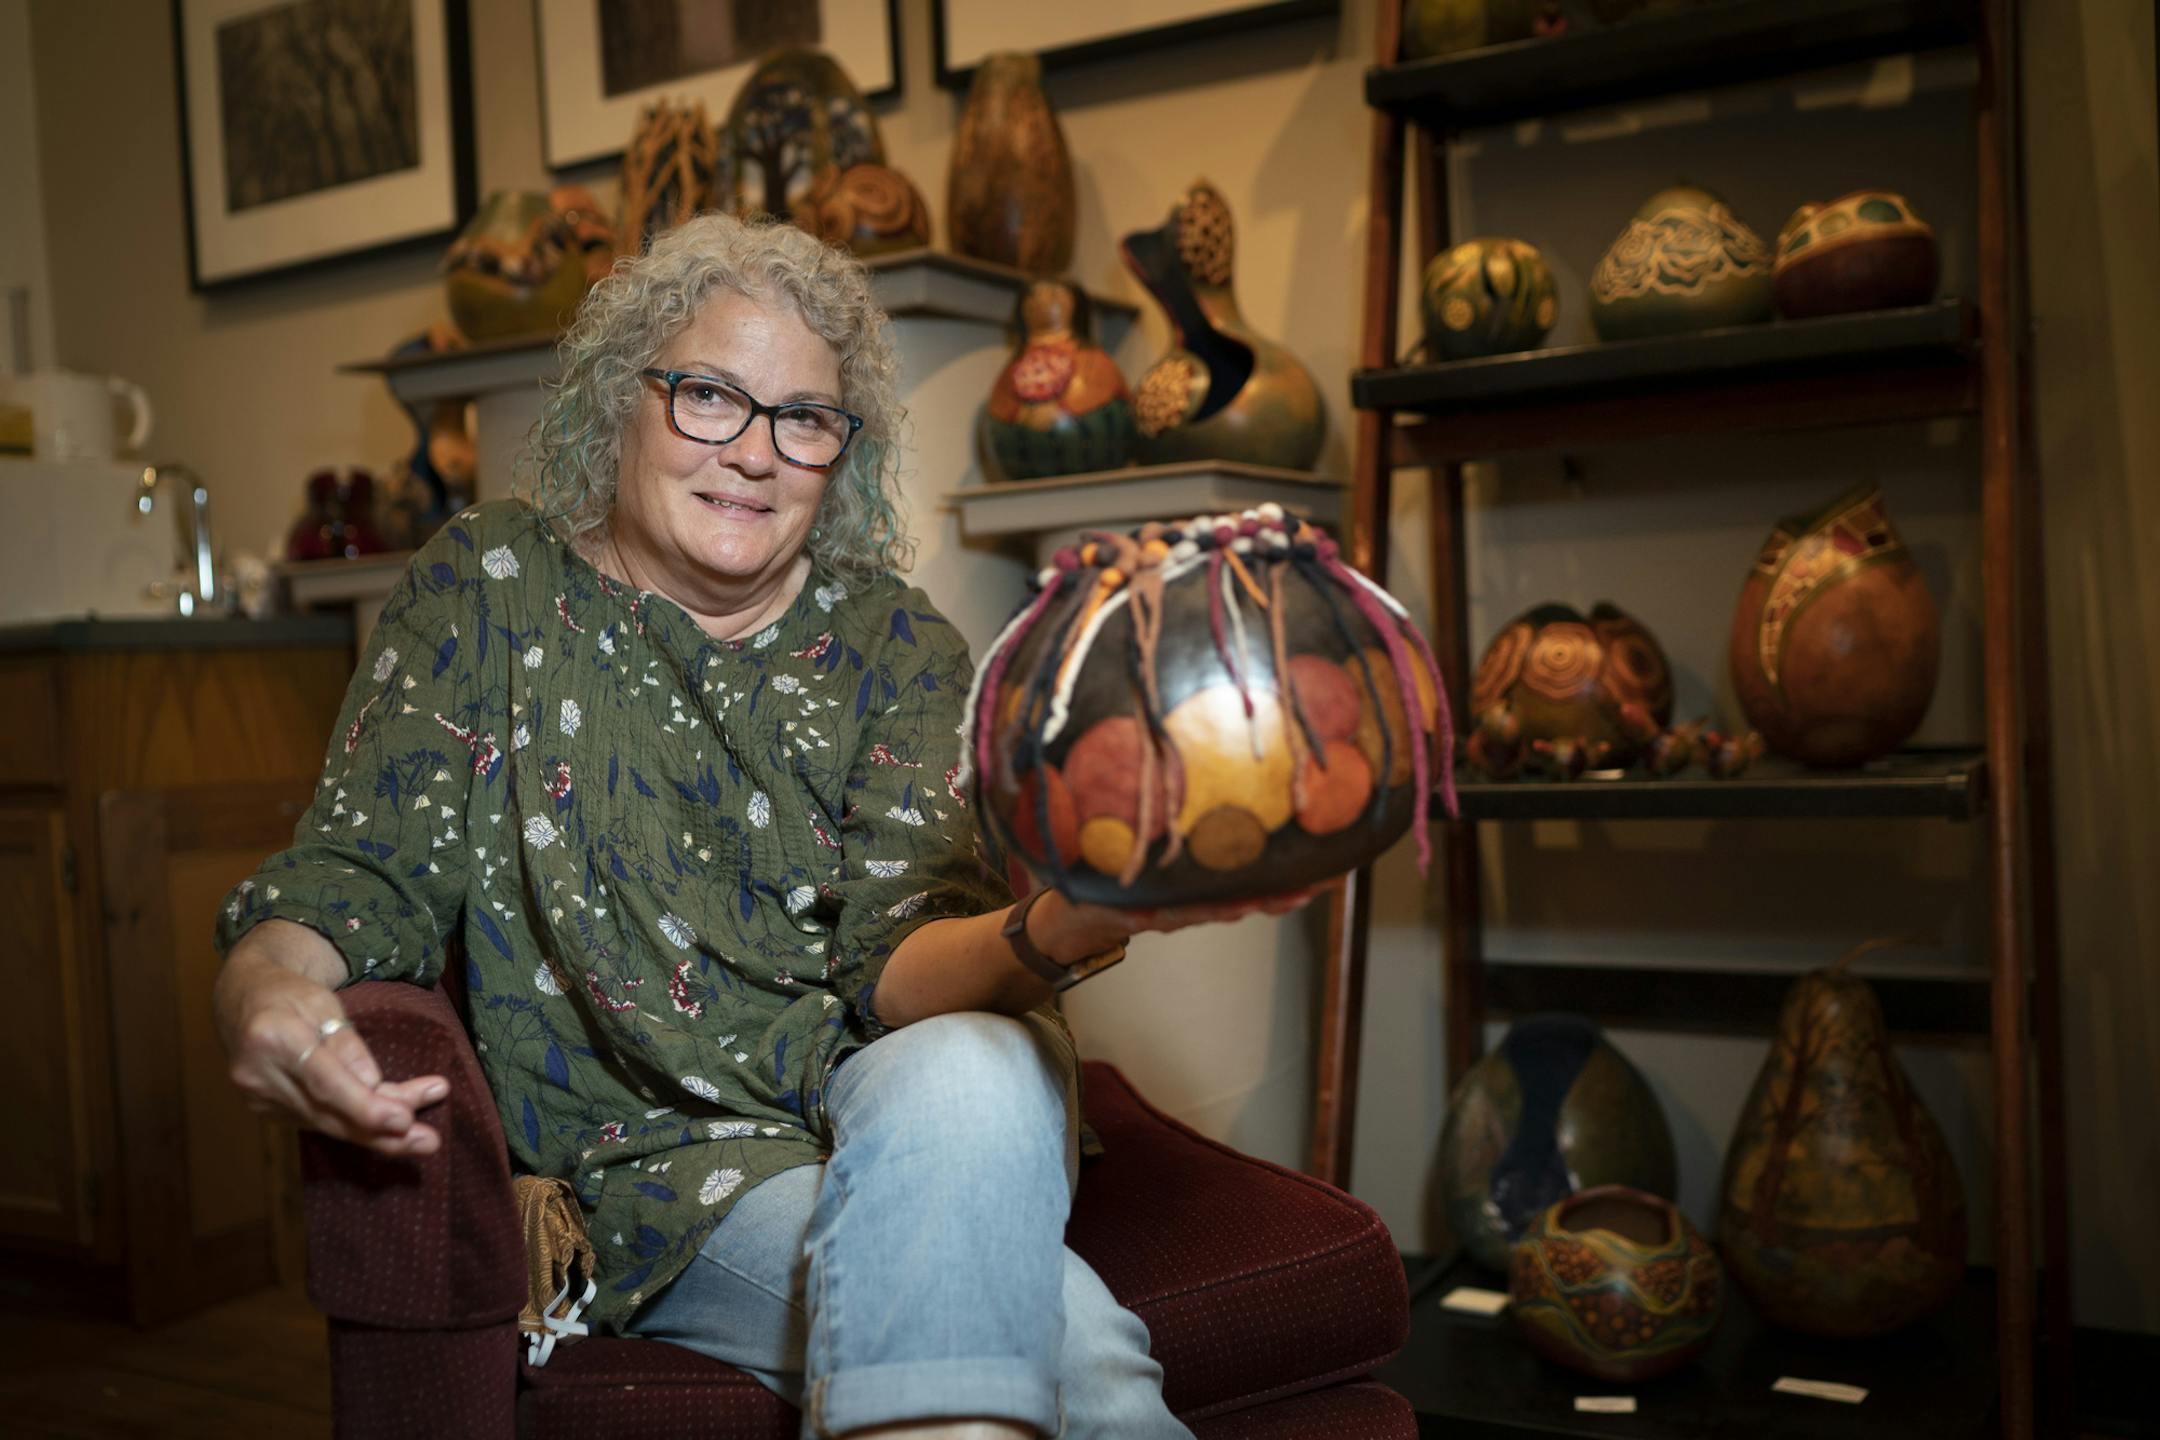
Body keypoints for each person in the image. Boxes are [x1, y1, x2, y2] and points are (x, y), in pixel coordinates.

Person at [214, 213, 1300, 1440]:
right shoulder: (492, 587)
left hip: (922, 1094)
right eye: (710, 397)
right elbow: (362, 874)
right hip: (673, 1166)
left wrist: (1066, 924)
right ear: (621, 399)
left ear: (843, 450)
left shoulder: (897, 640)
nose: (755, 453)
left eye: (805, 419)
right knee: (1085, 1358)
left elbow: (901, 967)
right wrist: (262, 988)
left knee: (977, 1064)